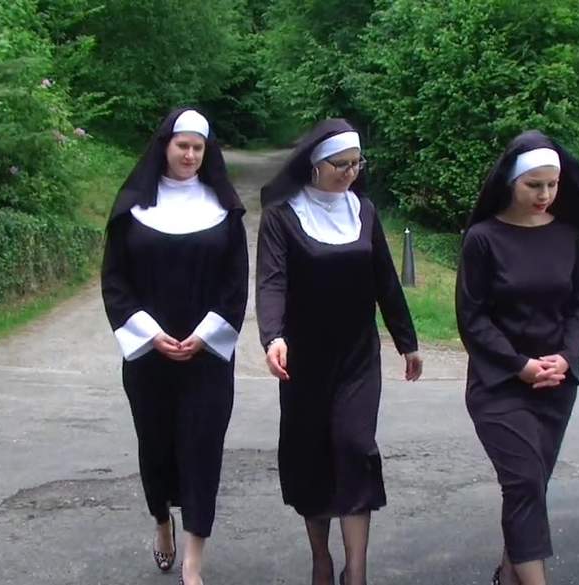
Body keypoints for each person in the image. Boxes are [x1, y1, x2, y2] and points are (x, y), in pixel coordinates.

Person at [255, 118, 423, 585]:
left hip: (357, 356)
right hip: (304, 361)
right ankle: (321, 559)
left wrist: (407, 342)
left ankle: (358, 573)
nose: (350, 172)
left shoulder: (363, 211)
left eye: (356, 164)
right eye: (340, 164)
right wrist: (273, 337)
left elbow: (385, 279)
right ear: (315, 164)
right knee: (312, 456)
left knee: (354, 447)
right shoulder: (283, 216)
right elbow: (271, 282)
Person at [456, 130, 579, 585]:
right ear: (511, 182)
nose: (545, 194)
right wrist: (520, 366)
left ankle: (507, 576)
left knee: (529, 488)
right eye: (534, 185)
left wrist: (566, 358)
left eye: (552, 184)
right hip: (499, 385)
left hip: (555, 386)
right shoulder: (483, 239)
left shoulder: (567, 235)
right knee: (525, 482)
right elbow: (472, 318)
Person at [101, 108, 248, 585]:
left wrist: (205, 335)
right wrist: (148, 333)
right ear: (165, 145)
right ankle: (162, 520)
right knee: (156, 447)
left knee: (203, 450)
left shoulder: (224, 209)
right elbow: (115, 281)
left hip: (207, 358)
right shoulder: (132, 207)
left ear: (207, 152)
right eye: (182, 145)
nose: (189, 155)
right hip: (149, 357)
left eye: (198, 148)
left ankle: (192, 563)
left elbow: (235, 284)